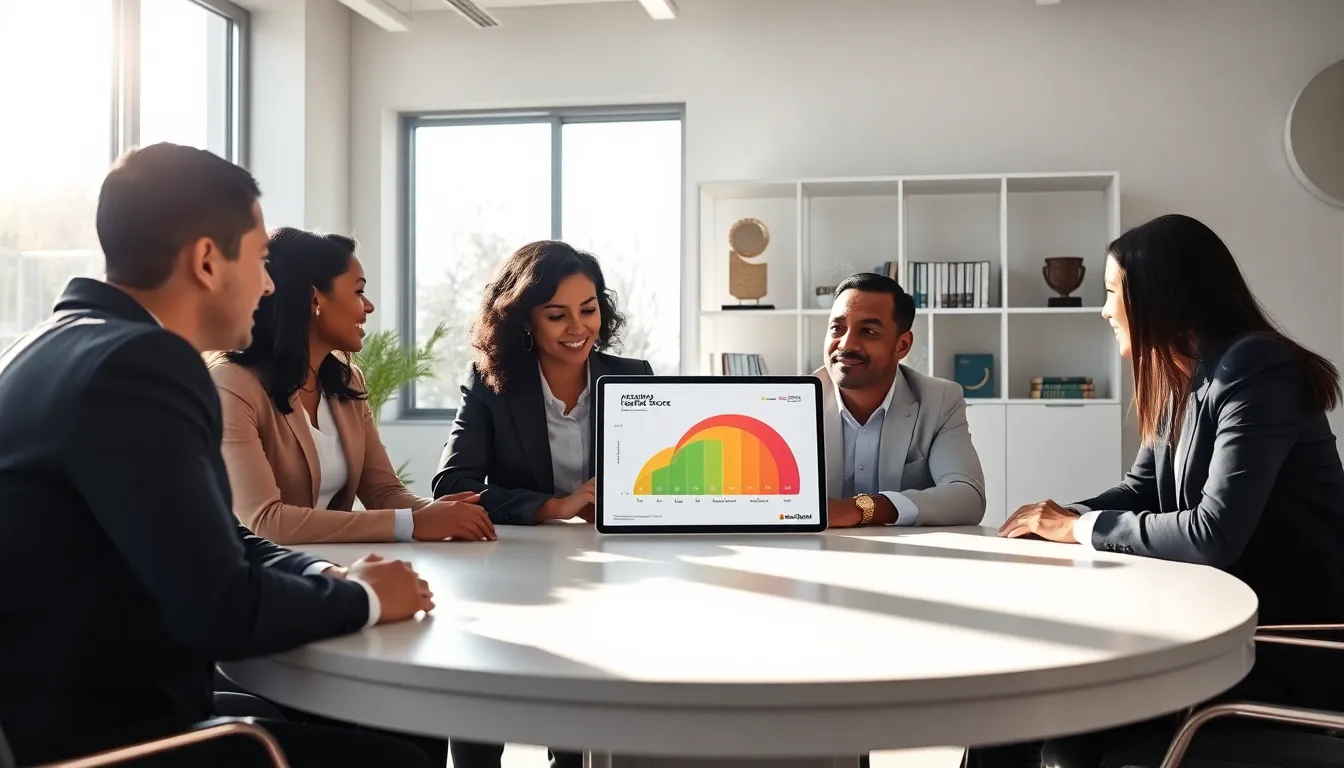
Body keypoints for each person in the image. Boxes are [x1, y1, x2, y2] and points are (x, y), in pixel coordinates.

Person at [0, 143, 440, 768]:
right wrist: (365, 599)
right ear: (208, 260)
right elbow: (218, 606)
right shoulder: (143, 366)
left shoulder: (51, 346)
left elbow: (218, 542)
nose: (268, 285)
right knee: (402, 760)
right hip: (110, 743)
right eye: (261, 259)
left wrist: (324, 574)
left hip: (59, 715)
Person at [982, 214, 1344, 767]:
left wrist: (1077, 528)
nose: (1104, 310)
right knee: (1020, 703)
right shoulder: (1181, 379)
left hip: (1275, 643)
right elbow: (1141, 489)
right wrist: (1053, 522)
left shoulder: (1254, 366)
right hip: (1206, 627)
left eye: (1111, 293)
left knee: (1055, 712)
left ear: (1158, 296)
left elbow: (1211, 533)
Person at [433, 240, 653, 768]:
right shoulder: (491, 384)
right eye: (557, 315)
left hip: (612, 572)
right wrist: (554, 506)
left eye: (589, 309)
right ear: (523, 321)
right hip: (513, 572)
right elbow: (452, 486)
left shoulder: (634, 376)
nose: (578, 327)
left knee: (580, 711)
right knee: (486, 701)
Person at [208, 227, 494, 546]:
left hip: (332, 569)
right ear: (314, 299)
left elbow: (382, 492)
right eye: (358, 292)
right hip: (253, 578)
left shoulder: (346, 380)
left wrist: (448, 514)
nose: (368, 306)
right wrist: (411, 523)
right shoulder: (232, 385)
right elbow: (265, 522)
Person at [818, 273, 986, 529]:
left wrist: (860, 509)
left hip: (907, 557)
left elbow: (967, 496)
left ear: (902, 345)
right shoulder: (791, 403)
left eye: (868, 331)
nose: (847, 343)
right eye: (837, 328)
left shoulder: (939, 400)